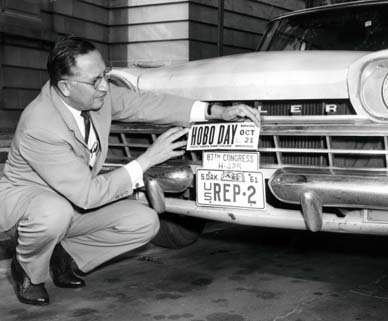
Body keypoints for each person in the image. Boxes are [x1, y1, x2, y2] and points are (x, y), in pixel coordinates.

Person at [0, 35, 260, 305]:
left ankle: (67, 256)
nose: (104, 87)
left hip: (72, 202)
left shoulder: (93, 95)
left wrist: (214, 111)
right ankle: (28, 269)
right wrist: (148, 159)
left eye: (105, 74)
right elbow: (88, 195)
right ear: (65, 87)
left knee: (144, 221)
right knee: (53, 212)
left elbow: (147, 104)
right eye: (95, 81)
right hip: (30, 206)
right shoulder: (40, 126)